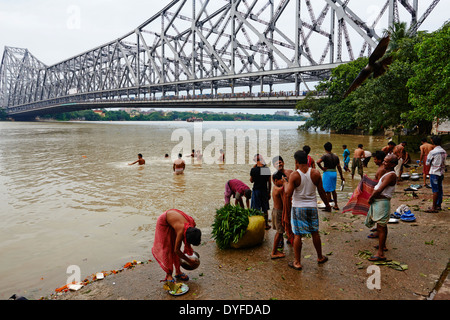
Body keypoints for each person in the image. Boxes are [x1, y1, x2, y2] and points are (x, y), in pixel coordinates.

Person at [284, 150, 331, 271]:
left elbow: (288, 194)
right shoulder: (315, 173)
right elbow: (321, 191)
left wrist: (286, 183)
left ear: (296, 161)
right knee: (314, 232)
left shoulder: (294, 175)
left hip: (298, 207)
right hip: (312, 206)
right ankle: (320, 257)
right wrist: (327, 205)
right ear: (307, 159)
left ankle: (297, 262)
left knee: (298, 234)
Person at [152, 209, 201, 282]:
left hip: (174, 221)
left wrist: (190, 251)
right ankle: (168, 274)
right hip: (164, 221)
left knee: (176, 244)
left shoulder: (192, 225)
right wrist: (189, 260)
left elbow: (186, 242)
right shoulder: (181, 231)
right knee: (168, 249)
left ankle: (178, 272)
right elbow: (177, 250)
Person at [366, 154, 398, 261]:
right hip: (380, 201)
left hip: (382, 202)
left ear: (393, 164)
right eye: (384, 161)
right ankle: (382, 246)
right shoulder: (387, 173)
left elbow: (379, 190)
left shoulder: (391, 175)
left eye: (386, 162)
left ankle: (380, 254)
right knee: (381, 226)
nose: (384, 163)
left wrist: (371, 198)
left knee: (381, 227)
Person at [316, 142, 345, 210]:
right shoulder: (336, 156)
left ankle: (328, 206)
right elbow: (339, 167)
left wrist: (322, 168)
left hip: (327, 173)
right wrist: (341, 176)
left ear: (325, 148)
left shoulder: (325, 156)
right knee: (333, 190)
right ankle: (336, 205)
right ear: (331, 148)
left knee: (327, 191)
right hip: (334, 173)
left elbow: (318, 162)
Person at [425, 136, 447, 213]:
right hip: (441, 172)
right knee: (440, 189)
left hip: (434, 172)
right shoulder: (444, 151)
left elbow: (427, 163)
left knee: (435, 190)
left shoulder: (432, 152)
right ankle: (438, 205)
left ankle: (433, 207)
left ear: (432, 142)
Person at [250, 154, 272, 230]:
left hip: (256, 190)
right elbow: (269, 182)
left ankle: (257, 225)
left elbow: (251, 181)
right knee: (265, 208)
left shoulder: (254, 170)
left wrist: (253, 168)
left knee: (256, 208)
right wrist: (269, 192)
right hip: (264, 191)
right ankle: (266, 224)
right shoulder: (266, 169)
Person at [271, 171, 286, 260]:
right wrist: (285, 182)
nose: (283, 181)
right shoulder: (278, 189)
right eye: (282, 180)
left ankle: (275, 250)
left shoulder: (275, 187)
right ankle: (274, 252)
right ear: (276, 180)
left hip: (276, 211)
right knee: (279, 232)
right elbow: (285, 188)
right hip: (278, 212)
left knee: (280, 232)